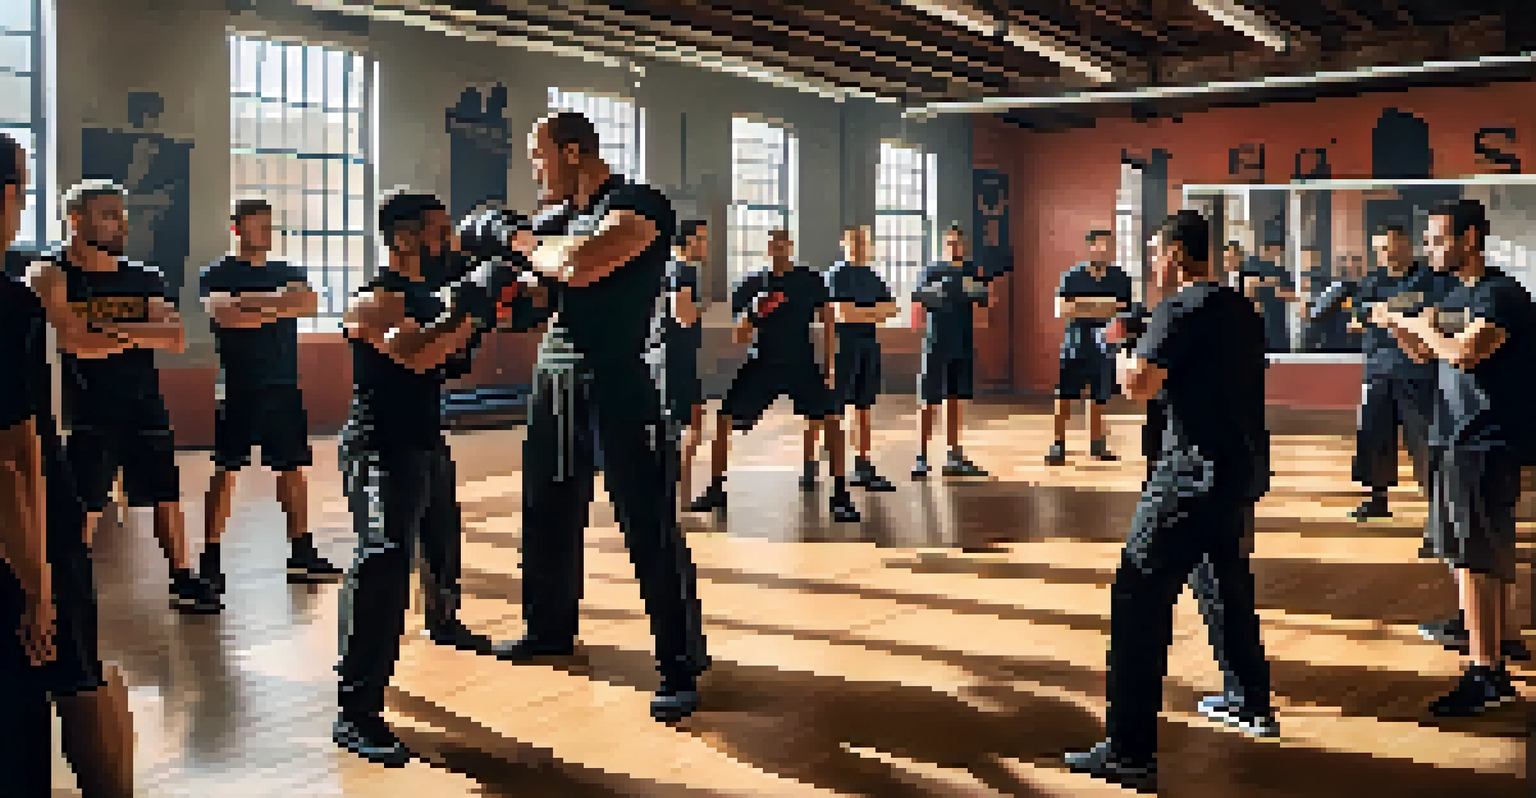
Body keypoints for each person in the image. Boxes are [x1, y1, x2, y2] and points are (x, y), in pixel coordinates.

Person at [495, 111, 711, 724]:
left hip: (618, 376)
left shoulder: (638, 202)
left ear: (570, 152)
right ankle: (548, 629)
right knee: (547, 510)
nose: (534, 170)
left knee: (646, 521)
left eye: (539, 157)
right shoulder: (555, 221)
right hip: (554, 375)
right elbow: (542, 289)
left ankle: (679, 663)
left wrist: (529, 246)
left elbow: (584, 263)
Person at [1066, 211, 1275, 793]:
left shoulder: (1179, 309)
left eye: (1157, 251)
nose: (1153, 263)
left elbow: (1140, 385)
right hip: (1238, 469)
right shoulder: (1240, 307)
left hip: (1187, 476)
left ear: (1178, 254)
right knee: (1223, 583)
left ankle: (1129, 751)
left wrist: (1119, 350)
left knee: (1137, 597)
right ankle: (1249, 699)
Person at [334, 192, 511, 765]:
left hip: (425, 440)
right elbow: (411, 352)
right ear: (404, 238)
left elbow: (449, 358)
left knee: (441, 541)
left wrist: (481, 309)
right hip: (379, 447)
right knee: (385, 556)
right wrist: (467, 307)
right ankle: (355, 711)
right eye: (438, 231)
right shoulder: (374, 298)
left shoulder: (431, 294)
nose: (450, 242)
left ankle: (444, 622)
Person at [3, 135, 136, 798]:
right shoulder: (16, 300)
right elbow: (13, 461)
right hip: (29, 531)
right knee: (73, 670)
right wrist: (38, 584)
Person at [28, 181, 219, 614]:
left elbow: (174, 337)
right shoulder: (49, 272)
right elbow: (73, 342)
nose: (120, 224)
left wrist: (109, 331)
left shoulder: (143, 276)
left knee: (166, 494)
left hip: (142, 403)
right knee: (85, 505)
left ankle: (183, 578)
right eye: (108, 214)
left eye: (121, 214)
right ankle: (65, 588)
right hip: (80, 409)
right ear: (75, 219)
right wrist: (136, 335)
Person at [1376, 198, 1532, 714]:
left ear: (1469, 240)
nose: (1429, 248)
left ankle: (1486, 672)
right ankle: (1498, 636)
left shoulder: (1500, 295)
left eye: (1439, 240)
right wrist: (1398, 326)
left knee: (1472, 556)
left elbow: (1465, 352)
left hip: (1484, 440)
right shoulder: (1457, 293)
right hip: (1456, 435)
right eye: (1428, 239)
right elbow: (1428, 353)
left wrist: (1423, 328)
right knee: (1478, 551)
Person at [199, 199, 341, 598]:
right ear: (237, 229)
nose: (266, 232)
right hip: (239, 386)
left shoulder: (288, 270)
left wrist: (252, 305)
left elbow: (309, 304)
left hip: (283, 383)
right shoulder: (216, 273)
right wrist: (279, 305)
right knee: (226, 469)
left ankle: (302, 553)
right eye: (258, 225)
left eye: (268, 225)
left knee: (292, 468)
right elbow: (226, 316)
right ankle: (210, 558)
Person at [687, 227, 861, 521]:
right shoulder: (752, 284)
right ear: (767, 248)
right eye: (773, 243)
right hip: (762, 362)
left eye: (783, 243)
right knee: (724, 420)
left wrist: (830, 363)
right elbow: (738, 337)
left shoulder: (809, 280)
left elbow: (828, 318)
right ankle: (716, 488)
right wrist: (756, 311)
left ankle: (841, 495)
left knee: (832, 420)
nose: (779, 248)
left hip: (801, 363)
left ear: (790, 246)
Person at [1346, 223, 1453, 521]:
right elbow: (1358, 312)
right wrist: (1369, 314)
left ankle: (1438, 514)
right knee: (1373, 437)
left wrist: (1382, 310)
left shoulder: (1431, 277)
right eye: (1380, 249)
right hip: (1378, 370)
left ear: (1407, 244)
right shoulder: (1371, 280)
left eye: (1392, 247)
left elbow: (1427, 305)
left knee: (1423, 442)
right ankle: (1376, 498)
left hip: (1418, 370)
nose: (1387, 254)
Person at [820, 224, 897, 492]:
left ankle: (863, 464)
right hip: (843, 347)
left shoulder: (873, 276)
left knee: (864, 409)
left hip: (868, 347)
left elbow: (892, 309)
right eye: (855, 241)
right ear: (844, 243)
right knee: (836, 410)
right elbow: (842, 314)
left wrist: (862, 311)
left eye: (864, 241)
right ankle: (833, 467)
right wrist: (873, 311)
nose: (860, 246)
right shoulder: (836, 275)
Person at [1046, 229, 1133, 465]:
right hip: (1076, 345)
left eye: (1107, 246)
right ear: (1089, 248)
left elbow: (1126, 311)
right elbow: (1063, 309)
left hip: (1104, 347)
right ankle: (1058, 444)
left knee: (1099, 398)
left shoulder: (1120, 278)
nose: (1103, 250)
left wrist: (1083, 306)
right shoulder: (1072, 277)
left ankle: (1097, 445)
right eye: (1098, 245)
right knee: (1065, 396)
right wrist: (1104, 306)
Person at [912, 224, 989, 478]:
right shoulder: (932, 270)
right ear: (944, 244)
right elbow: (920, 298)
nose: (954, 246)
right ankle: (921, 457)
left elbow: (982, 296)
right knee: (929, 400)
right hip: (936, 343)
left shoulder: (971, 269)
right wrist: (946, 289)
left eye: (958, 242)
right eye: (950, 242)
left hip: (962, 343)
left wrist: (966, 289)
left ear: (964, 244)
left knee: (955, 400)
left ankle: (954, 454)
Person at [663, 220, 709, 500]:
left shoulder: (664, 268)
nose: (705, 246)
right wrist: (701, 310)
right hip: (678, 358)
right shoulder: (684, 271)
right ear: (688, 241)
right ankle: (681, 490)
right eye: (701, 239)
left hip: (667, 356)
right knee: (691, 423)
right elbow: (683, 314)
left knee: (679, 423)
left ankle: (675, 488)